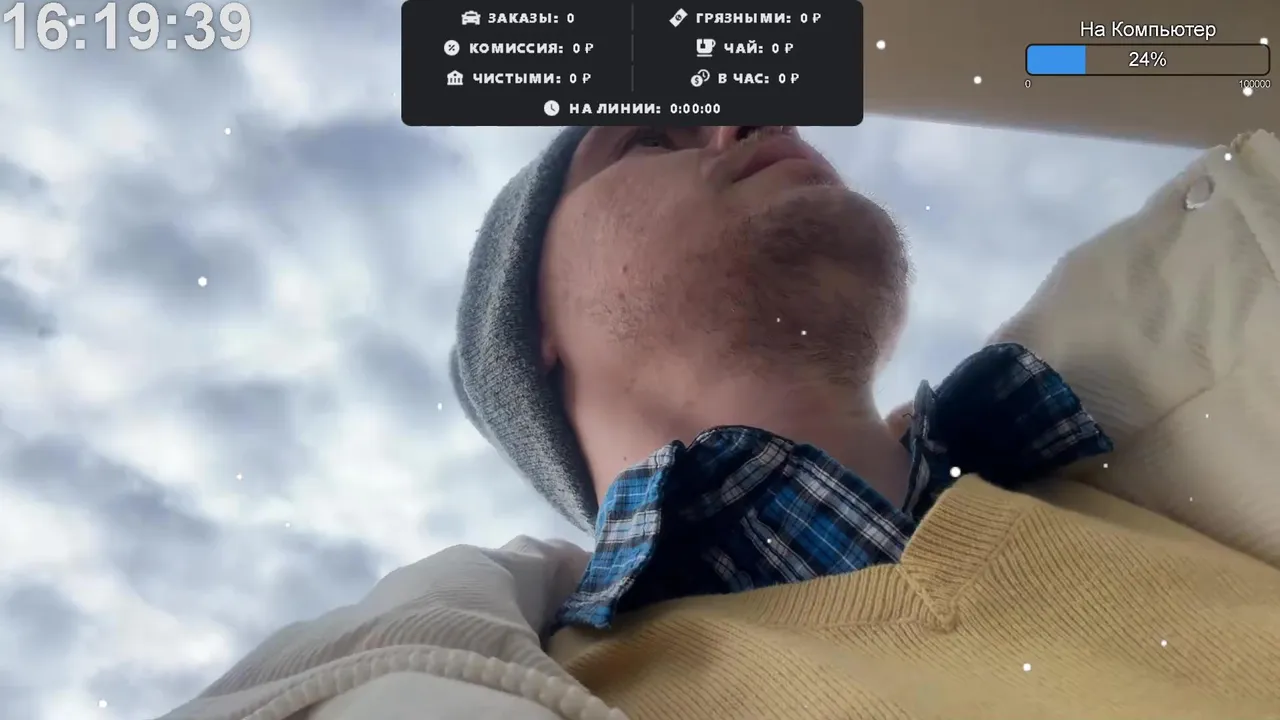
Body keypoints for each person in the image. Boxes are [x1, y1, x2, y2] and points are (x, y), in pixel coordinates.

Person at [158, 126, 1280, 720]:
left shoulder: (1158, 446)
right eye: (648, 139)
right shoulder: (546, 692)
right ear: (529, 326)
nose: (748, 119)